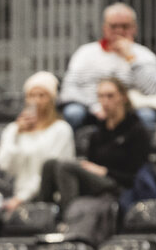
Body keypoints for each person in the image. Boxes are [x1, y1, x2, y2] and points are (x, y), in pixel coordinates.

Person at [36, 78, 150, 214]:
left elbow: (136, 175)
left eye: (110, 96)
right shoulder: (98, 132)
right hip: (99, 181)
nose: (105, 101)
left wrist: (105, 171)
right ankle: (42, 217)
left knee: (66, 166)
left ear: (123, 97)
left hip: (120, 184)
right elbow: (92, 163)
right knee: (50, 164)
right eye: (101, 96)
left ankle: (70, 218)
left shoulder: (136, 130)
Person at [58, 3, 156, 130]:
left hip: (130, 110)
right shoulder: (85, 53)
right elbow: (68, 89)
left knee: (147, 116)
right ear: (104, 28)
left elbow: (152, 90)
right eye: (113, 26)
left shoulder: (145, 55)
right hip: (90, 108)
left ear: (134, 28)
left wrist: (131, 58)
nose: (119, 31)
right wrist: (95, 106)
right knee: (73, 113)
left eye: (125, 26)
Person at [0, 71, 75, 211]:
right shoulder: (13, 129)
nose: (36, 100)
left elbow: (50, 171)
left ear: (52, 99)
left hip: (49, 198)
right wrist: (15, 133)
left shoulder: (61, 129)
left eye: (42, 95)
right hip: (18, 197)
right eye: (31, 95)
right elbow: (4, 164)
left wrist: (22, 198)